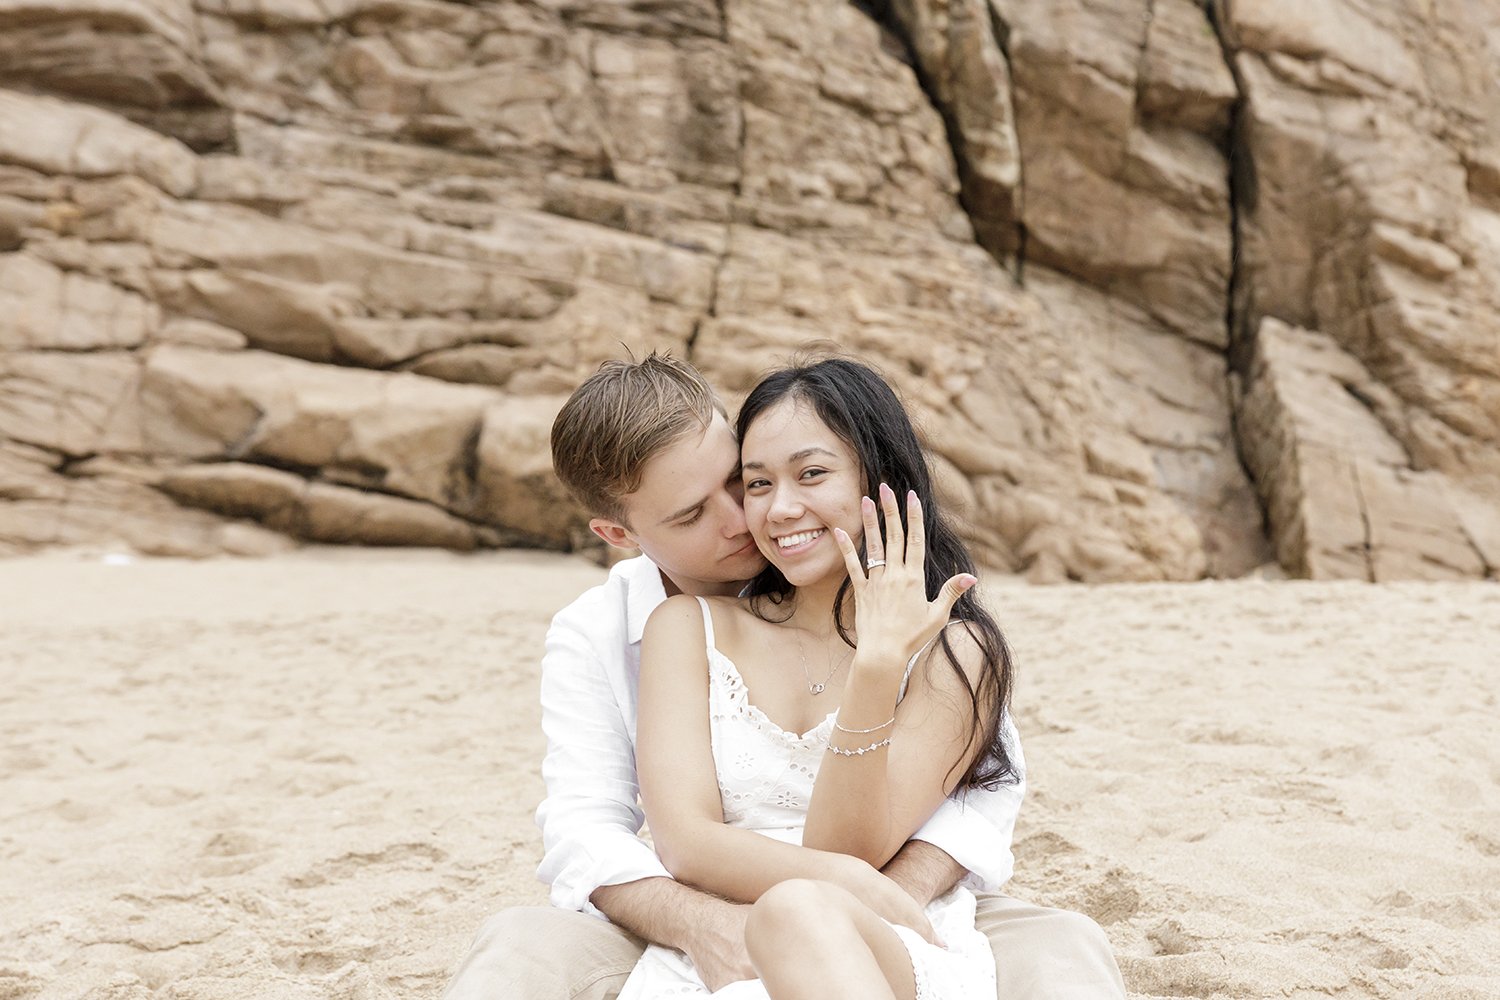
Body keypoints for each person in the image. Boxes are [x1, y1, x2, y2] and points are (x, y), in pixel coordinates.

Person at [442, 352, 1125, 1000]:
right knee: (516, 947)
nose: (753, 517)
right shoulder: (629, 629)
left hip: (906, 898)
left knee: (1066, 947)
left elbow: (986, 791)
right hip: (699, 909)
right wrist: (713, 924)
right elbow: (589, 833)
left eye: (739, 480)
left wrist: (872, 896)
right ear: (619, 535)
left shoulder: (941, 635)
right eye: (696, 511)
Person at [623, 356, 1020, 999]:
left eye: (811, 474)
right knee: (790, 909)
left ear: (880, 477)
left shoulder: (958, 652)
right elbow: (685, 843)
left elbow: (850, 847)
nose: (780, 509)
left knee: (798, 911)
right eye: (756, 485)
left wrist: (877, 667)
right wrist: (850, 881)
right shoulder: (686, 627)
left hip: (881, 944)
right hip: (723, 950)